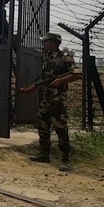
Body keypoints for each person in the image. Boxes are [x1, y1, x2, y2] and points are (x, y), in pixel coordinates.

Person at [20, 32, 82, 172]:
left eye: (46, 42)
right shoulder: (46, 59)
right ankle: (44, 154)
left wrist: (60, 81)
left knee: (60, 128)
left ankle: (65, 159)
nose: (44, 44)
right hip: (44, 100)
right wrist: (32, 87)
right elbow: (44, 79)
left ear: (54, 43)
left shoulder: (64, 58)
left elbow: (77, 74)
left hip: (57, 101)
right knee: (43, 127)